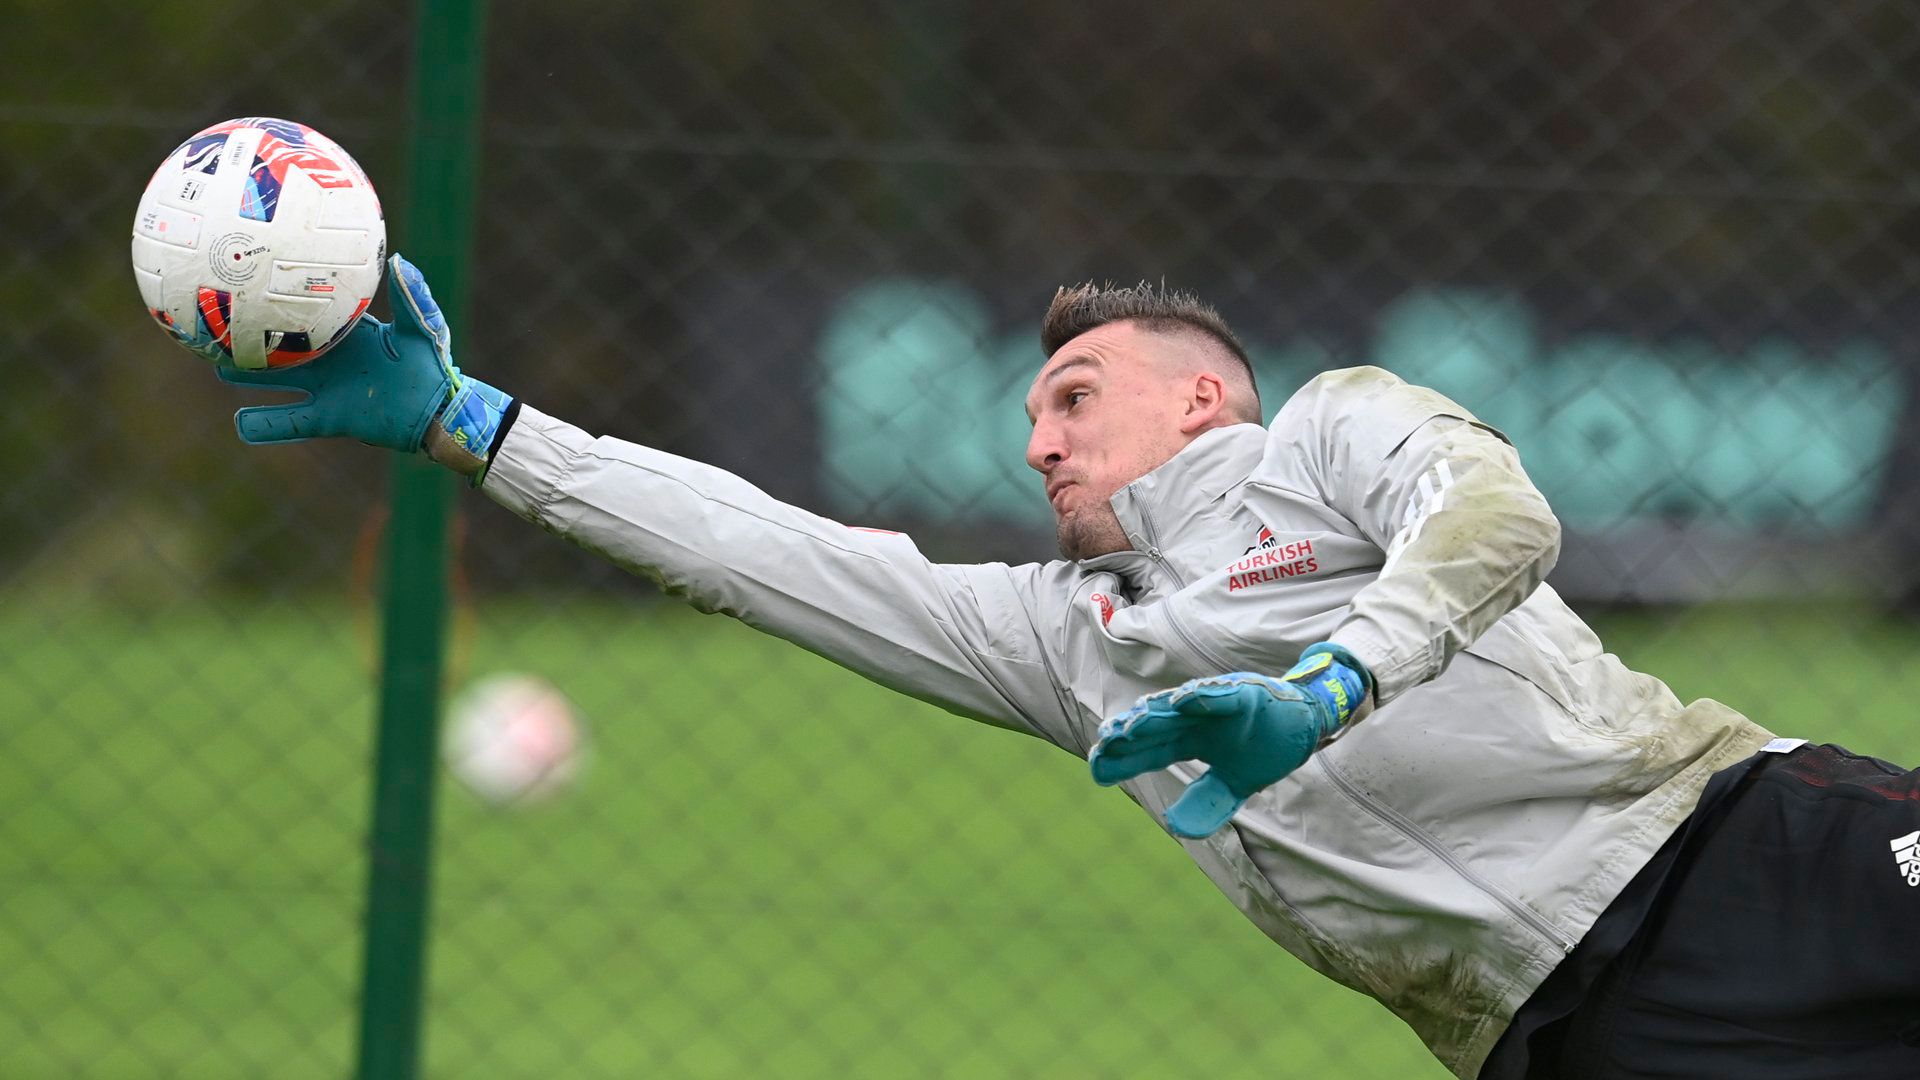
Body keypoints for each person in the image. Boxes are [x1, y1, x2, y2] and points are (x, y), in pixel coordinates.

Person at [222, 255, 1920, 1079]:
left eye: (1075, 393)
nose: (1036, 437)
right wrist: (476, 427)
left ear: (1203, 396)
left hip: (1736, 848)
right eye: (1030, 413)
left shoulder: (1332, 430)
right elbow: (765, 551)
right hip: (1569, 1043)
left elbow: (1499, 516)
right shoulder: (1069, 645)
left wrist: (1327, 691)